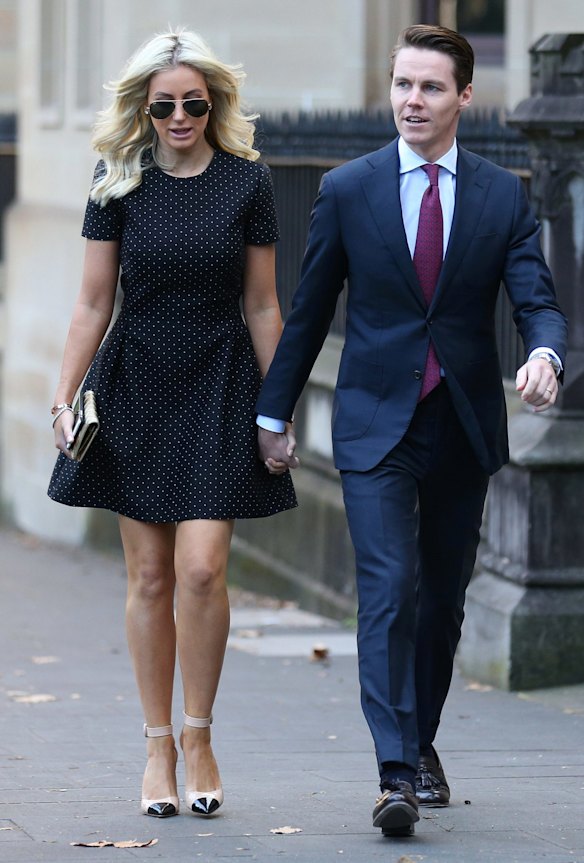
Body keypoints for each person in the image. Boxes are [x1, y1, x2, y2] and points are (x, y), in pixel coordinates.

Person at [255, 24, 567, 838]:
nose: (412, 101)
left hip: (461, 422)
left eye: (430, 87)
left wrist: (545, 354)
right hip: (374, 423)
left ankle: (420, 738)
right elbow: (309, 311)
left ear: (465, 96)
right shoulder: (347, 188)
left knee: (442, 600)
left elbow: (536, 298)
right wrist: (272, 413)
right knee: (389, 587)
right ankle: (395, 770)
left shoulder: (501, 195)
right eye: (402, 84)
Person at [48, 28, 296, 820]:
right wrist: (64, 396)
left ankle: (199, 734)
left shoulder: (248, 182)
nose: (180, 117)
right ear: (144, 110)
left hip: (220, 384)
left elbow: (263, 304)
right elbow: (93, 302)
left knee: (201, 568)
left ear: (214, 104)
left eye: (194, 103)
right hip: (137, 384)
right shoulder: (117, 178)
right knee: (151, 575)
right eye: (165, 106)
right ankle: (157, 744)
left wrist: (278, 406)